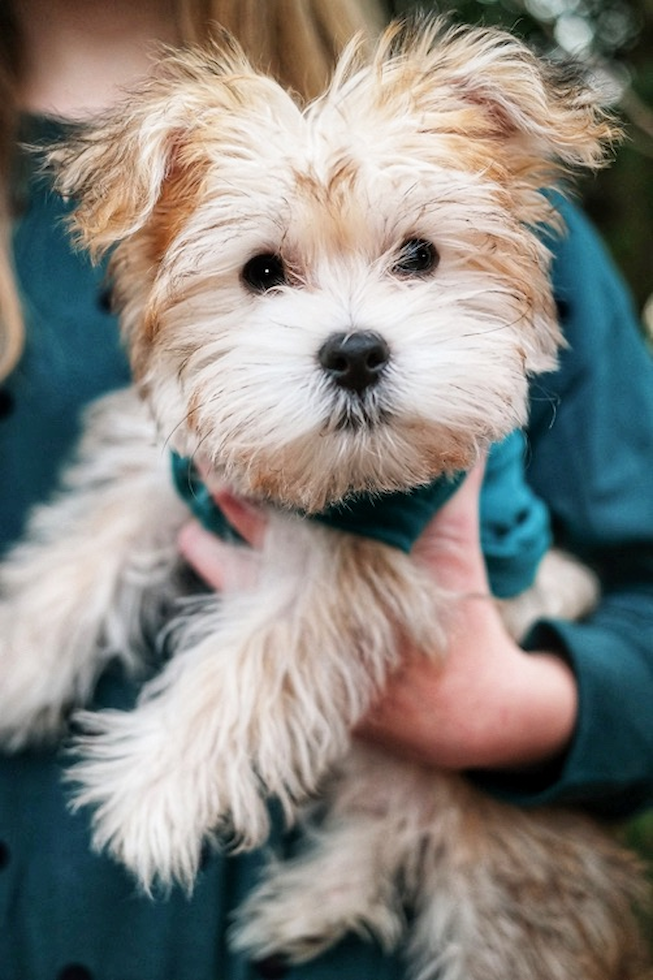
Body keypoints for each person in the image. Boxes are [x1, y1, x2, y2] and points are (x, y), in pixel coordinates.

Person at [0, 2, 652, 979]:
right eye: (267, 271)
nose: (351, 330)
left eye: (415, 257)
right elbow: (155, 469)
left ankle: (385, 850)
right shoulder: (136, 189)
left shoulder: (507, 222)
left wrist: (511, 707)